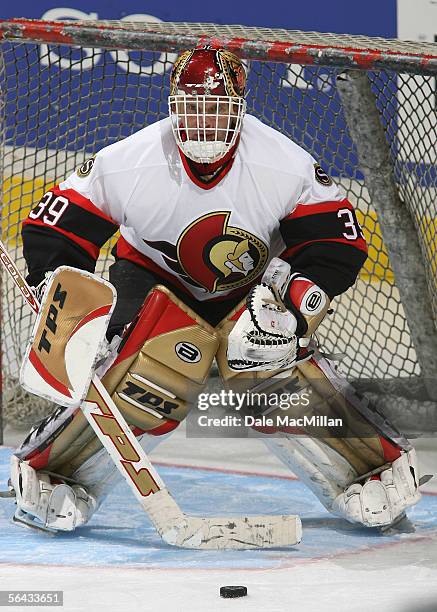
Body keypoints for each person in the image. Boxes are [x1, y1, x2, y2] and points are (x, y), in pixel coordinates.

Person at [10, 46, 420, 534]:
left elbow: (336, 243)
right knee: (144, 368)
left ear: (240, 109)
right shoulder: (129, 161)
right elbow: (55, 229)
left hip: (253, 288)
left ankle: (370, 468)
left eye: (217, 108)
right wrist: (67, 304)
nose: (203, 121)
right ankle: (55, 473)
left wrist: (294, 312)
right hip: (149, 279)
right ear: (172, 107)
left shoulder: (282, 163)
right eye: (192, 107)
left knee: (269, 364)